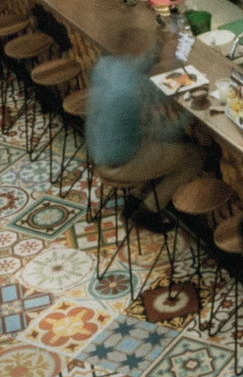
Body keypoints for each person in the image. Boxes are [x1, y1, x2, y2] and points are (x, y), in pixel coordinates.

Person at [85, 27, 203, 229]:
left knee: (163, 151)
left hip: (99, 148)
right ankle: (148, 210)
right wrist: (192, 109)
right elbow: (166, 132)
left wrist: (156, 50)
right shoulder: (129, 91)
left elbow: (133, 70)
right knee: (193, 156)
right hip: (119, 161)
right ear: (133, 49)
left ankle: (136, 197)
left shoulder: (106, 64)